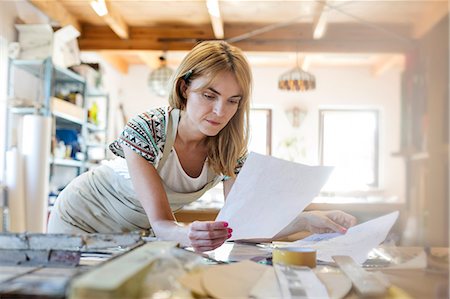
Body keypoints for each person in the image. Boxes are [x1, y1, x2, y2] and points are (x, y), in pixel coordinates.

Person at [48, 41, 356, 252]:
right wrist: (187, 233)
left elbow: (242, 227)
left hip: (131, 232)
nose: (221, 111)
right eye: (209, 95)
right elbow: (163, 226)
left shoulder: (229, 152)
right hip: (81, 215)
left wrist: (307, 220)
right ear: (184, 88)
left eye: (233, 101)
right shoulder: (148, 129)